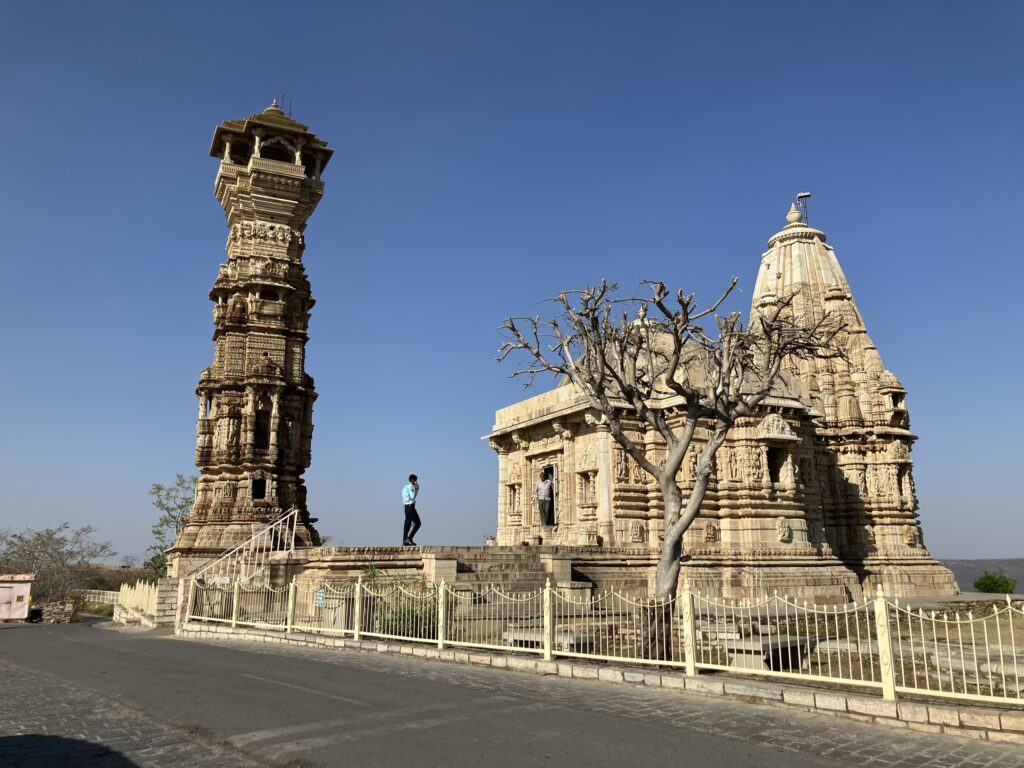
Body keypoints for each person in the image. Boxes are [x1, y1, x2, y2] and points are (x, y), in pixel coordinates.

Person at [402, 474, 421, 546]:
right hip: (410, 507)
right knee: (417, 523)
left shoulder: (405, 487)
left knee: (407, 524)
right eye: (416, 480)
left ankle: (404, 540)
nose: (416, 482)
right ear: (413, 480)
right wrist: (417, 489)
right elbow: (413, 496)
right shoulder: (410, 487)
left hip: (406, 507)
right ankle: (409, 538)